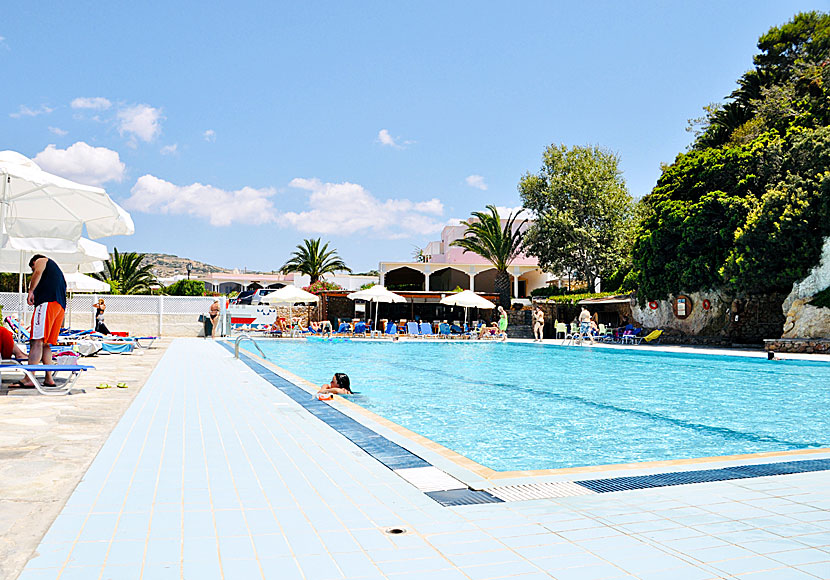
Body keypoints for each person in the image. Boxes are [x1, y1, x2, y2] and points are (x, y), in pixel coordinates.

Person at [20, 254, 66, 388]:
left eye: (32, 268)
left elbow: (38, 271)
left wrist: (31, 291)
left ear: (34, 261)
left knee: (37, 341)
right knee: (46, 343)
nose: (33, 272)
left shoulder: (42, 260)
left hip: (47, 303)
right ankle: (49, 378)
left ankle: (29, 378)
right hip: (60, 306)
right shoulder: (56, 271)